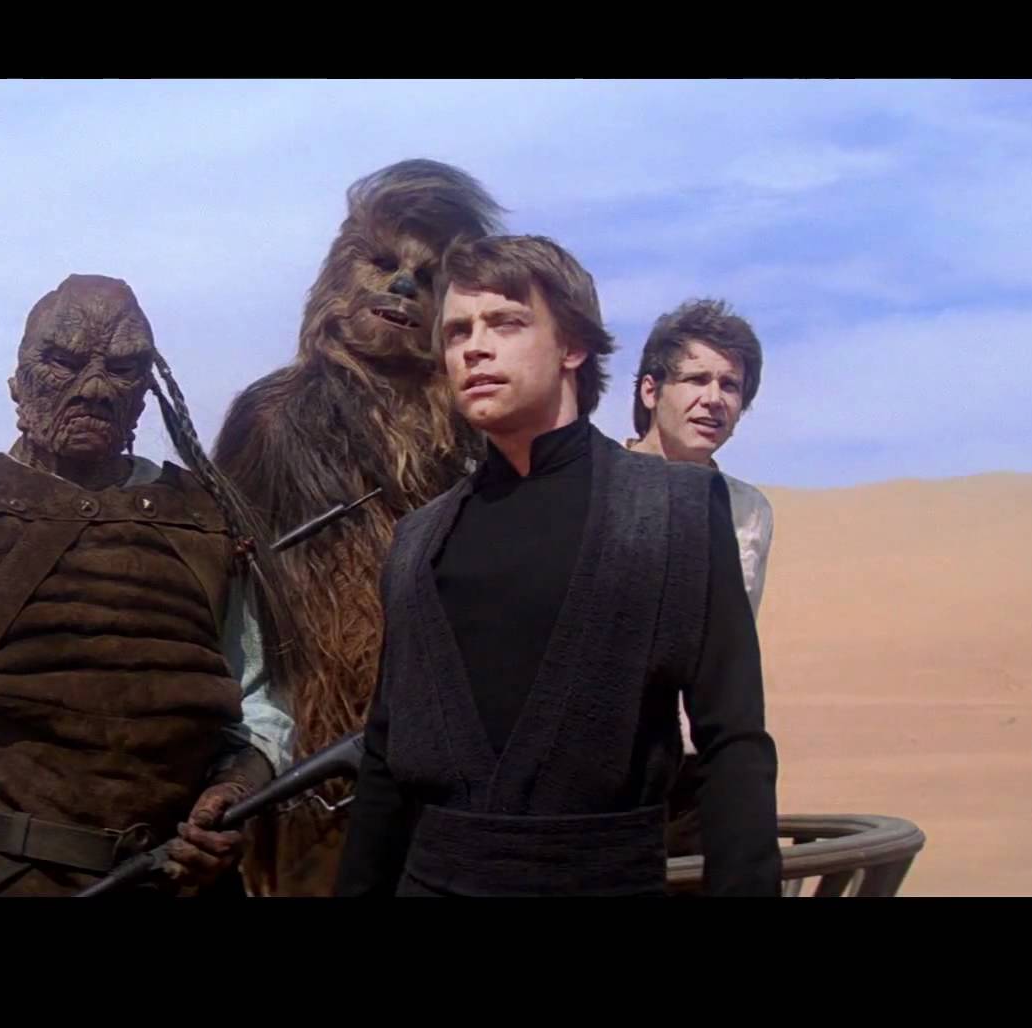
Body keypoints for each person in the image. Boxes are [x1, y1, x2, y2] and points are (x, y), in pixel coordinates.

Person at [0, 274, 295, 897]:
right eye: (64, 363)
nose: (94, 389)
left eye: (122, 369)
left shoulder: (206, 515)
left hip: (184, 875)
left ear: (145, 394)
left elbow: (257, 704)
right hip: (12, 871)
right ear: (18, 383)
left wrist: (235, 790)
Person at [334, 235, 781, 896]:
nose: (474, 348)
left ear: (572, 346)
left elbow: (733, 743)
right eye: (457, 331)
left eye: (505, 323)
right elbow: (384, 763)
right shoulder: (417, 541)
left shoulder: (677, 512)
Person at [211, 158, 503, 896]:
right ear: (340, 273)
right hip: (310, 771)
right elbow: (218, 595)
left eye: (427, 277)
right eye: (382, 263)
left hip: (445, 769)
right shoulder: (274, 417)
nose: (402, 287)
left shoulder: (474, 440)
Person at [624, 298, 774, 856]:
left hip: (696, 769)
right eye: (695, 379)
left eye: (731, 386)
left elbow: (731, 653)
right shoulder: (591, 488)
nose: (714, 399)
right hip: (601, 770)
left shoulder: (748, 510)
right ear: (650, 390)